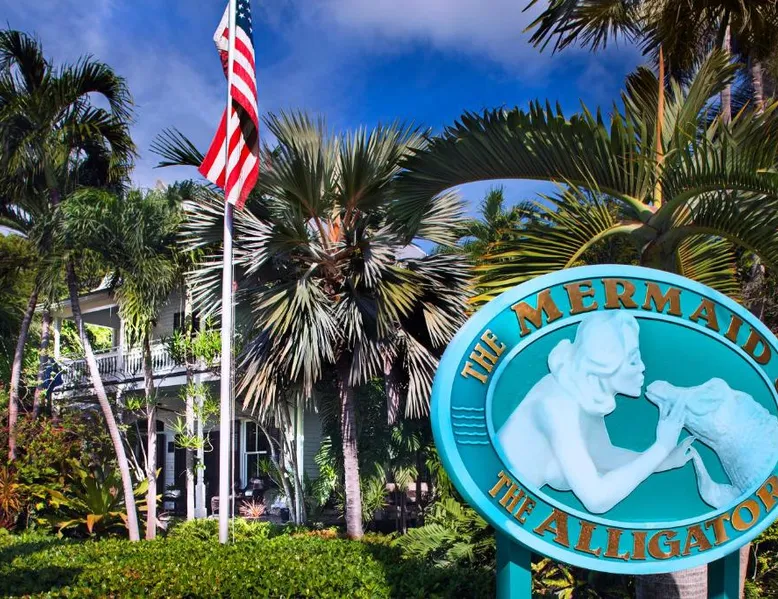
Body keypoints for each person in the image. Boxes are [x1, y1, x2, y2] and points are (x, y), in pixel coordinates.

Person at [497, 311, 694, 514]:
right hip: (498, 506)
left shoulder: (581, 395)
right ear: (605, 362)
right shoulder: (558, 405)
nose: (642, 367)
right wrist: (661, 447)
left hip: (513, 510)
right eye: (633, 360)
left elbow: (604, 456)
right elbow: (597, 499)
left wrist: (665, 460)